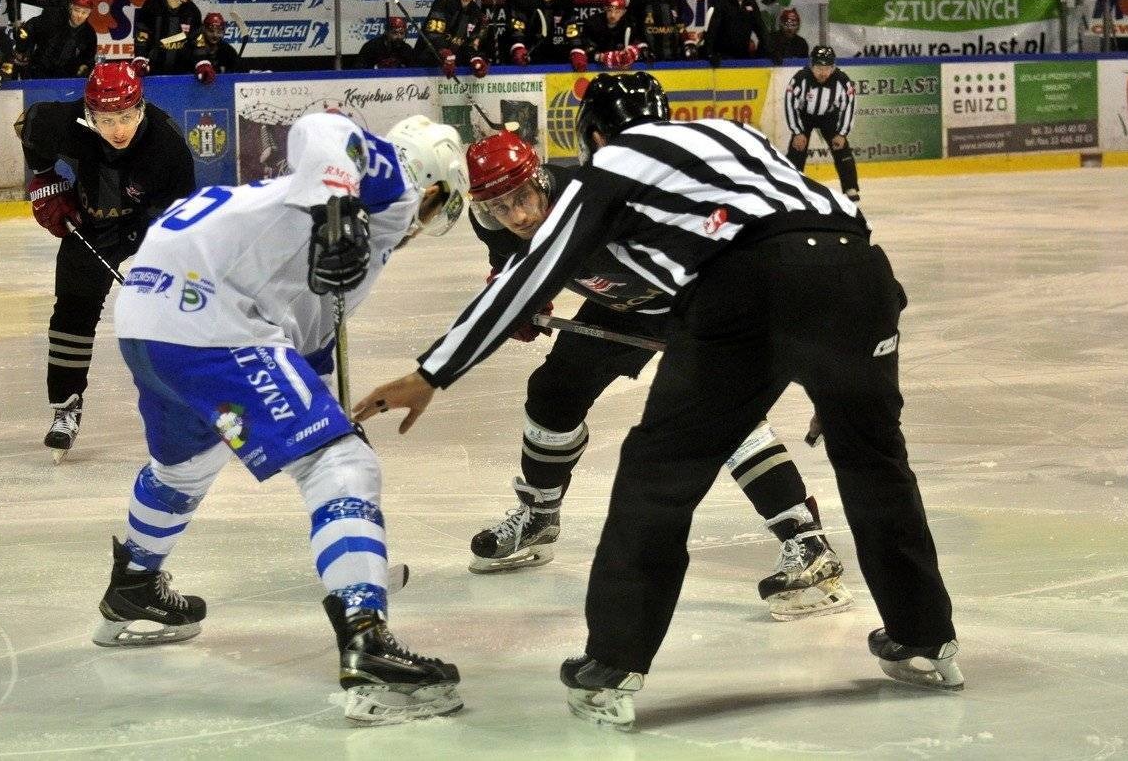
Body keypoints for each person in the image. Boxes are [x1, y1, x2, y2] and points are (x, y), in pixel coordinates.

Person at [354, 72, 961, 729]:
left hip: (737, 286)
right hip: (860, 274)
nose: (515, 212)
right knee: (876, 462)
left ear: (588, 136)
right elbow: (825, 225)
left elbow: (534, 271)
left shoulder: (606, 164)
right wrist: (842, 365)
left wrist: (433, 371)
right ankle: (927, 639)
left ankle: (613, 663)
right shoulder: (736, 136)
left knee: (658, 472)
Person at [93, 112, 470, 726]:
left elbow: (306, 345)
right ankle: (366, 640)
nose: (421, 227)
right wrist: (337, 207)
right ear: (434, 190)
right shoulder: (393, 191)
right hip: (208, 317)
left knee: (184, 467)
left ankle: (135, 583)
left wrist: (324, 419)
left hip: (147, 322)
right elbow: (321, 128)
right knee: (342, 464)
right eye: (437, 211)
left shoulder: (313, 222)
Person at [463, 130, 852, 620]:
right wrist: (521, 303)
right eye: (499, 207)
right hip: (621, 303)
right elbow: (516, 270)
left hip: (694, 295)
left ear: (542, 179)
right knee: (554, 392)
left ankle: (806, 539)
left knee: (721, 411)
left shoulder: (591, 200)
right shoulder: (497, 227)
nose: (516, 216)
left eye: (522, 197)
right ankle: (540, 513)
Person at [14, 62, 195, 462]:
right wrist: (44, 181)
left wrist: (162, 265)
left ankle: (191, 397)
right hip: (91, 223)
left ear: (142, 108)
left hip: (149, 224)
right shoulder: (65, 122)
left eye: (127, 117)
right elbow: (30, 126)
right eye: (107, 119)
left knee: (169, 311)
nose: (118, 129)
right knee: (72, 311)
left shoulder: (167, 146)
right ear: (89, 113)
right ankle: (66, 404)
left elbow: (181, 219)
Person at [785, 45, 860, 202]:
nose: (823, 72)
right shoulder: (800, 78)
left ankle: (850, 187)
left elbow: (849, 106)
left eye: (827, 68)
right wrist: (797, 132)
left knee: (842, 149)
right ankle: (792, 187)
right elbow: (790, 103)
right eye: (819, 67)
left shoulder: (842, 81)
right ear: (812, 65)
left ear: (833, 67)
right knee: (796, 150)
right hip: (805, 116)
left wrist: (842, 133)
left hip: (829, 116)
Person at [416, 0, 490, 79]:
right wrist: (445, 53)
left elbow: (468, 44)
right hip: (429, 57)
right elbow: (434, 34)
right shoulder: (444, 2)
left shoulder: (475, 12)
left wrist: (475, 58)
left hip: (452, 61)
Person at [132, 0, 202, 76]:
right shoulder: (151, 7)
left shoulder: (193, 11)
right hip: (154, 71)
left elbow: (198, 40)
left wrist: (202, 63)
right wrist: (140, 58)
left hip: (183, 73)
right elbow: (142, 36)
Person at [509, 0, 581, 67]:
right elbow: (517, 25)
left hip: (550, 51)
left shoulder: (565, 1)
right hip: (526, 51)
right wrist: (518, 47)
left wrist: (577, 50)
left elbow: (571, 27)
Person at [14, 0, 97, 79]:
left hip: (65, 77)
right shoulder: (53, 17)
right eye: (77, 10)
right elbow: (29, 27)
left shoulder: (89, 34)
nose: (79, 15)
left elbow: (89, 58)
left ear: (89, 13)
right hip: (38, 71)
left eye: (84, 12)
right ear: (70, 8)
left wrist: (84, 68)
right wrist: (22, 49)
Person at [626, 0, 693, 62]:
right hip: (647, 58)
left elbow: (680, 25)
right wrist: (640, 45)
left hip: (673, 57)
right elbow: (631, 25)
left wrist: (688, 41)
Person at [702, 0, 765, 66]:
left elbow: (760, 28)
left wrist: (771, 51)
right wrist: (710, 53)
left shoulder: (751, 2)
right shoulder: (722, 2)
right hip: (723, 57)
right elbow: (712, 29)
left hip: (743, 56)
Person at [163, 12, 243, 84]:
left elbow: (236, 73)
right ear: (204, 29)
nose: (215, 35)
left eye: (219, 31)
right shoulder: (190, 47)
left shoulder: (227, 50)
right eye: (211, 31)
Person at [579, 0, 642, 71]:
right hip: (595, 66)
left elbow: (637, 44)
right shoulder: (592, 23)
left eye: (617, 12)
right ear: (605, 9)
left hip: (622, 68)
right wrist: (599, 57)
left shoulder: (630, 25)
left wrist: (630, 56)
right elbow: (584, 46)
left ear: (623, 12)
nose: (613, 15)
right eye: (609, 11)